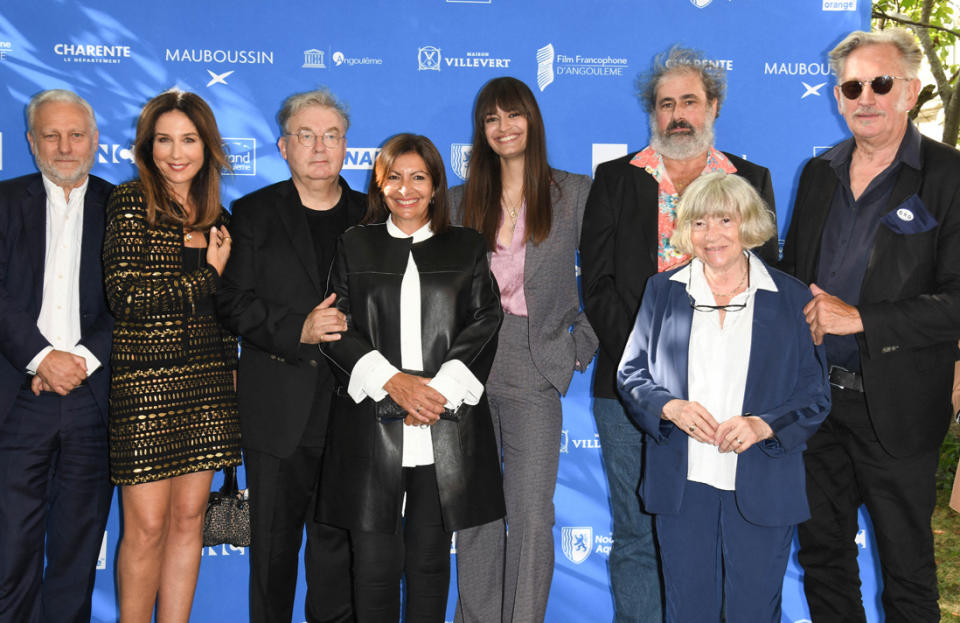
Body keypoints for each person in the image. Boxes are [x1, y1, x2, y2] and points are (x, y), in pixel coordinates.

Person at [579, 46, 778, 622]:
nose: (678, 115)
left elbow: (766, 284)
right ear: (653, 114)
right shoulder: (617, 180)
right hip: (628, 391)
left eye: (690, 101)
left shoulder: (749, 179)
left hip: (725, 395)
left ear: (713, 106)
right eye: (666, 105)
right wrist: (648, 373)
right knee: (637, 535)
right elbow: (599, 285)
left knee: (711, 534)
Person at [780, 28, 960, 622]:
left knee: (907, 573)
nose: (866, 97)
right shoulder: (816, 175)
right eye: (852, 86)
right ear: (836, 97)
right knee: (824, 560)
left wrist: (861, 319)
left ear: (909, 92)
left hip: (898, 409)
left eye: (881, 83)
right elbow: (792, 273)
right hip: (814, 406)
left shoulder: (949, 176)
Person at [618, 171, 830, 622]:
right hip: (684, 481)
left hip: (761, 479)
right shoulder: (662, 291)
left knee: (753, 611)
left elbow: (814, 393)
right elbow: (631, 373)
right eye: (699, 223)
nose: (711, 235)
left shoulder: (790, 296)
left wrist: (763, 423)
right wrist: (668, 406)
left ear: (747, 224)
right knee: (687, 609)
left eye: (725, 221)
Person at [318, 133, 505, 623]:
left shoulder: (466, 246)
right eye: (393, 177)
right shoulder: (355, 244)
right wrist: (393, 383)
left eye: (418, 177)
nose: (406, 189)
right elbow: (336, 325)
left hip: (441, 426)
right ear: (379, 187)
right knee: (374, 569)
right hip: (371, 430)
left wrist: (435, 392)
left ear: (437, 185)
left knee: (428, 565)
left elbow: (485, 321)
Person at [450, 76, 598, 623]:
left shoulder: (575, 192)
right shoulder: (459, 202)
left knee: (532, 516)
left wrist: (577, 347)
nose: (504, 127)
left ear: (532, 120)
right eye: (491, 119)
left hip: (536, 364)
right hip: (467, 367)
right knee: (477, 516)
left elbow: (608, 280)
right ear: (481, 130)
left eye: (513, 115)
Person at [217, 88, 364, 623]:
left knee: (338, 560)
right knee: (273, 558)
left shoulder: (373, 215)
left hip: (355, 413)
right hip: (278, 413)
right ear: (283, 147)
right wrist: (296, 328)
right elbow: (231, 301)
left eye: (331, 135)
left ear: (347, 146)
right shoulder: (253, 213)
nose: (319, 147)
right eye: (305, 135)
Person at [103, 89, 240, 623]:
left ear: (206, 146)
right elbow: (126, 298)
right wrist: (207, 274)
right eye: (164, 140)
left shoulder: (217, 214)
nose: (176, 153)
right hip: (144, 389)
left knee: (189, 521)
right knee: (145, 528)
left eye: (188, 139)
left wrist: (231, 372)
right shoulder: (131, 201)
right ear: (147, 146)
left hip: (208, 388)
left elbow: (221, 314)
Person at [0, 89, 113, 623]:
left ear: (94, 141)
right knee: (9, 550)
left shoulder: (125, 209)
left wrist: (80, 362)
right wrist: (43, 357)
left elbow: (134, 303)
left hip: (95, 403)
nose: (65, 147)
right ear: (31, 141)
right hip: (18, 402)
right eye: (51, 134)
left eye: (76, 134)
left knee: (76, 549)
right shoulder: (3, 202)